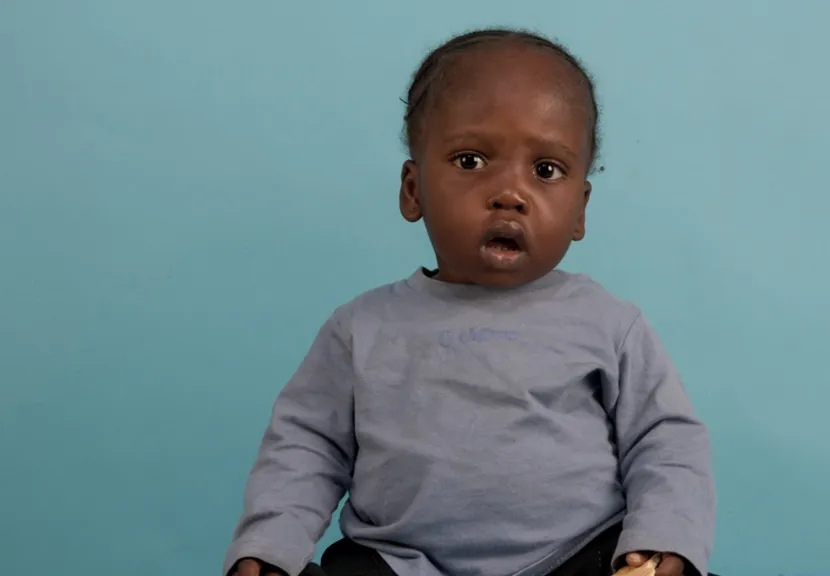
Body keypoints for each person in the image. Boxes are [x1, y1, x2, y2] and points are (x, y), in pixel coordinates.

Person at [224, 28, 716, 576]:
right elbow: (307, 447)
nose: (510, 193)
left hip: (577, 557)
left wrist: (662, 541)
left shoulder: (609, 324)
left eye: (546, 170)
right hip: (399, 563)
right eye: (471, 160)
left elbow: (665, 442)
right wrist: (268, 546)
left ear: (580, 209)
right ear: (413, 190)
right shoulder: (361, 329)